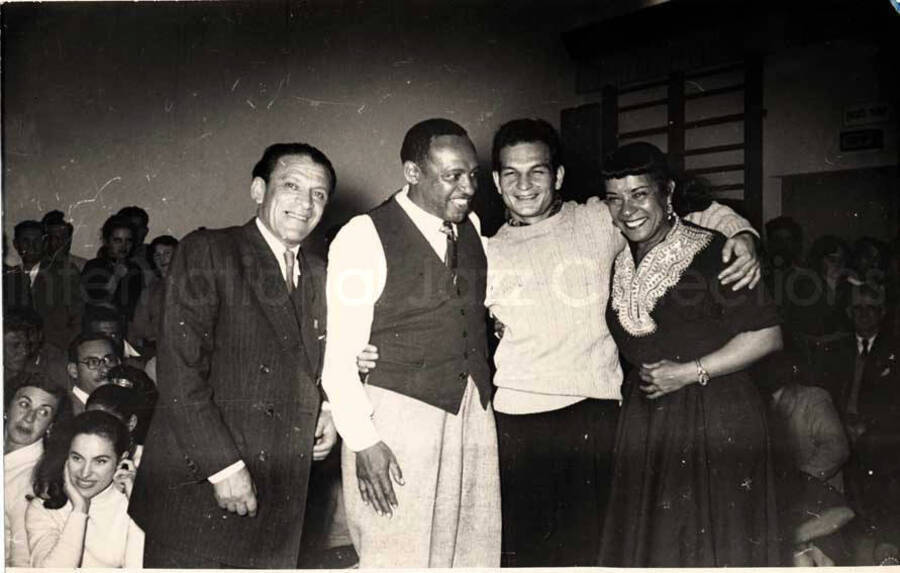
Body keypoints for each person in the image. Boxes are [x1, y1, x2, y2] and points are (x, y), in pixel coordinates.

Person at [482, 119, 760, 566]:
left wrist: (744, 237)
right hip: (518, 420)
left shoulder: (600, 217)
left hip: (597, 412)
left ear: (558, 176)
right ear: (496, 181)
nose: (524, 184)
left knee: (599, 552)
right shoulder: (484, 249)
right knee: (529, 554)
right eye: (511, 173)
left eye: (537, 171)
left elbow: (695, 211)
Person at [128, 142, 338, 568]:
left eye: (318, 194)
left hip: (279, 495)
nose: (305, 203)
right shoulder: (210, 251)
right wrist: (222, 468)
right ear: (258, 190)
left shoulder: (318, 271)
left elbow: (312, 361)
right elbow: (179, 371)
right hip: (202, 488)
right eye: (292, 186)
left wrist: (328, 409)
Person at [322, 118, 500, 568]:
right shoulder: (364, 235)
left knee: (470, 550)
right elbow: (339, 356)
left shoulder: (471, 225)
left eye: (473, 175)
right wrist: (364, 442)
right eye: (452, 176)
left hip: (470, 408)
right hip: (398, 416)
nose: (467, 188)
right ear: (413, 173)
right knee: (396, 553)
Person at [596, 142, 783, 567]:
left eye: (640, 194)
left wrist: (688, 373)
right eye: (615, 198)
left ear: (667, 192)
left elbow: (767, 335)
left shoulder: (718, 250)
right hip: (649, 423)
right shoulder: (620, 260)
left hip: (715, 415)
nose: (627, 209)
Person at [25, 410, 143, 568]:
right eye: (77, 458)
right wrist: (79, 510)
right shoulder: (44, 509)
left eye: (100, 461)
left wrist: (137, 507)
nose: (85, 473)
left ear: (121, 460)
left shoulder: (129, 502)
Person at [4, 372, 71, 567]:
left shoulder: (33, 479)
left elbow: (22, 561)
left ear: (50, 426)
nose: (29, 418)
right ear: (7, 408)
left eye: (43, 412)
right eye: (24, 404)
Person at [80, 214, 144, 321]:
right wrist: (116, 276)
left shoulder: (135, 269)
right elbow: (97, 301)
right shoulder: (94, 266)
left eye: (128, 241)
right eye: (117, 240)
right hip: (100, 326)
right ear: (107, 241)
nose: (123, 246)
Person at [129, 235, 178, 352]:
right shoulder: (151, 290)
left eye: (167, 253)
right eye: (157, 255)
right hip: (156, 348)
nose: (162, 259)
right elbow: (139, 326)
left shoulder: (192, 285)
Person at [66, 333, 122, 415]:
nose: (105, 369)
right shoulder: (65, 411)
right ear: (73, 370)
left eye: (110, 360)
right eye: (93, 362)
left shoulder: (124, 403)